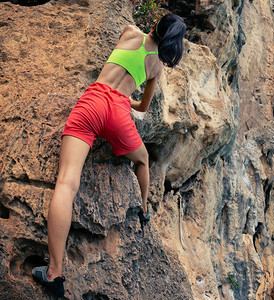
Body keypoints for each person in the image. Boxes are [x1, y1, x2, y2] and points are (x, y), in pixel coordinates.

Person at [31, 14, 186, 297]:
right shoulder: (156, 67)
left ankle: (54, 272)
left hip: (91, 103)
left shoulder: (129, 31)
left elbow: (120, 58)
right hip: (117, 113)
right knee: (143, 160)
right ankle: (144, 208)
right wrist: (126, 98)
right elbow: (142, 107)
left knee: (66, 183)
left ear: (154, 25)